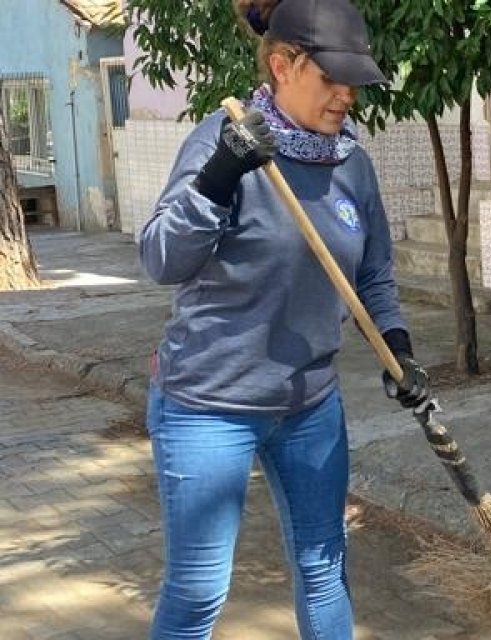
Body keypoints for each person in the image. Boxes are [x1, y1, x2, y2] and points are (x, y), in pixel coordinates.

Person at [136, 1, 431, 637]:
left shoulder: (351, 162)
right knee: (197, 590)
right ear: (282, 65)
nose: (346, 96)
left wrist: (398, 348)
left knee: (325, 568)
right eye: (331, 79)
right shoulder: (228, 138)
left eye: (353, 82)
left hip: (310, 406)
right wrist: (219, 177)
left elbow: (373, 273)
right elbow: (162, 258)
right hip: (208, 406)